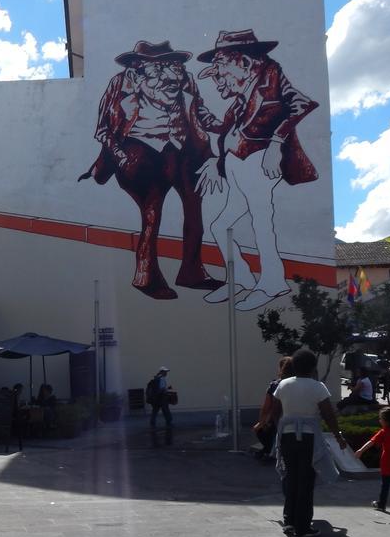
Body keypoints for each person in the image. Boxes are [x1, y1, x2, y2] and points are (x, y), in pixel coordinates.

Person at [79, 40, 222, 299]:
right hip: (137, 149)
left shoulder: (184, 81)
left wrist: (221, 127)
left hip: (180, 148)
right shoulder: (120, 84)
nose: (170, 75)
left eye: (173, 66)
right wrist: (121, 157)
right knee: (152, 211)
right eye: (160, 68)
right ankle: (146, 276)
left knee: (194, 205)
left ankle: (192, 272)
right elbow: (103, 130)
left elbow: (199, 111)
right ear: (138, 71)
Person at [195, 29, 319, 311]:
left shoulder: (272, 76)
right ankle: (241, 278)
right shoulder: (241, 94)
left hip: (259, 159)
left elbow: (302, 104)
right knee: (220, 225)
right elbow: (220, 127)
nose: (219, 72)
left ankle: (273, 282)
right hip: (237, 161)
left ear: (244, 61)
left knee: (261, 221)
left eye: (222, 63)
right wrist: (196, 105)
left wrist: (276, 143)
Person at [270, 349, 348, 537]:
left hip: (287, 436)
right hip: (309, 438)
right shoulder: (318, 387)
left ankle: (289, 521)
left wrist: (280, 429)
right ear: (313, 367)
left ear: (294, 365)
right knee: (306, 481)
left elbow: (275, 412)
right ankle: (303, 526)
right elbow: (328, 414)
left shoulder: (283, 385)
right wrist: (338, 435)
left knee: (291, 477)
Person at [253, 356, 293, 459]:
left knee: (260, 429)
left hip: (278, 419)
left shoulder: (275, 385)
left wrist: (261, 422)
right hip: (297, 419)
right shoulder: (301, 384)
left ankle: (268, 450)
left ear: (281, 369)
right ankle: (270, 450)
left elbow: (266, 407)